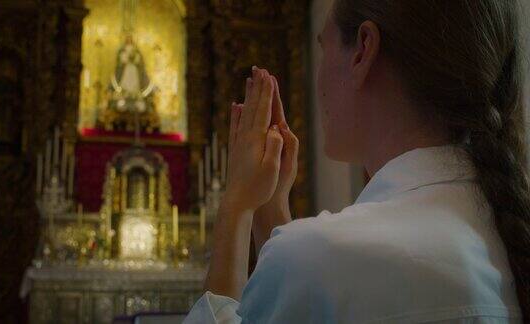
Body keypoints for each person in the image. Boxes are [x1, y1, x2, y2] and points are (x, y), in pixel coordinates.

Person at [184, 0, 529, 322]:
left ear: (363, 50)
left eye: (323, 47)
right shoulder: (508, 230)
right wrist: (269, 209)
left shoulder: (321, 257)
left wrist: (236, 206)